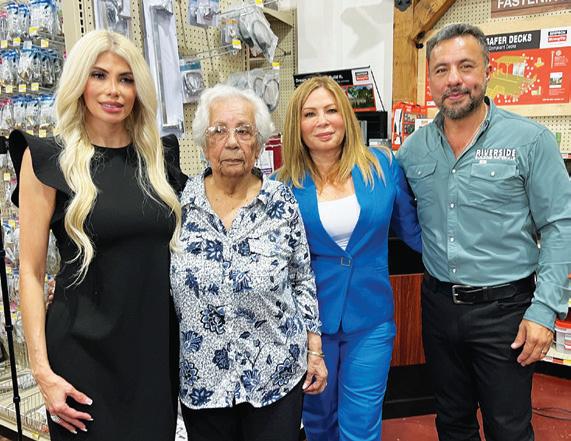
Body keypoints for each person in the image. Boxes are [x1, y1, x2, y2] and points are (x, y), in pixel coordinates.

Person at [397, 23, 571, 441]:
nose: (453, 79)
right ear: (430, 80)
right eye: (441, 70)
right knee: (451, 422)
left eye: (466, 66)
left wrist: (544, 311)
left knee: (508, 428)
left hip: (506, 311)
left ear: (488, 71)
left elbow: (560, 225)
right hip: (439, 306)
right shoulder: (412, 151)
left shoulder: (530, 141)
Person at [9, 30, 184, 440]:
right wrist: (41, 372)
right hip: (81, 358)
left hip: (153, 355)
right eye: (99, 75)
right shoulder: (48, 159)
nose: (113, 90)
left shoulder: (160, 160)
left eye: (126, 79)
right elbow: (30, 272)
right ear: (79, 82)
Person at [170, 84, 327, 441]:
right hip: (204, 381)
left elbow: (302, 278)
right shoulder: (179, 206)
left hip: (275, 376)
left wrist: (314, 351)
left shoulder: (281, 202)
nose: (232, 142)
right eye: (219, 131)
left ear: (258, 144)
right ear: (203, 143)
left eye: (244, 131)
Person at [277, 76, 422, 441]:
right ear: (297, 125)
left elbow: (413, 231)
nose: (323, 121)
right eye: (310, 114)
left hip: (370, 321)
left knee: (361, 426)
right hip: (310, 328)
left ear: (345, 116)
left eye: (331, 110)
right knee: (319, 424)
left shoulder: (382, 166)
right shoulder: (282, 186)